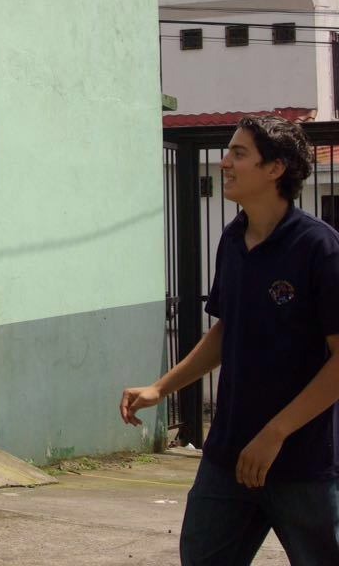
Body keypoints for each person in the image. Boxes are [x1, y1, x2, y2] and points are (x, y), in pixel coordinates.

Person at [120, 114, 339, 564]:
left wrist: (275, 433)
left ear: (275, 169)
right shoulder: (233, 240)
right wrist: (162, 387)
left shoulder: (320, 248)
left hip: (303, 465)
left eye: (239, 153)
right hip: (229, 457)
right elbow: (225, 330)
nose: (225, 163)